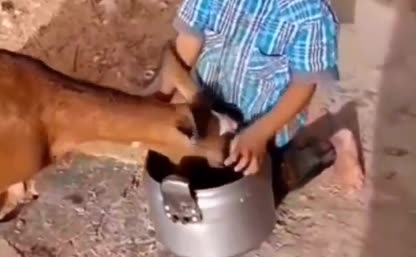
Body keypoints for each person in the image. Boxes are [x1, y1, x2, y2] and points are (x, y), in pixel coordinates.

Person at [154, 0, 363, 192]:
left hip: (265, 124)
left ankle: (330, 147)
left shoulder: (311, 14)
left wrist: (259, 134)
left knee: (267, 185)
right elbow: (188, 42)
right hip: (209, 107)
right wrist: (160, 102)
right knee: (191, 167)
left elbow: (303, 86)